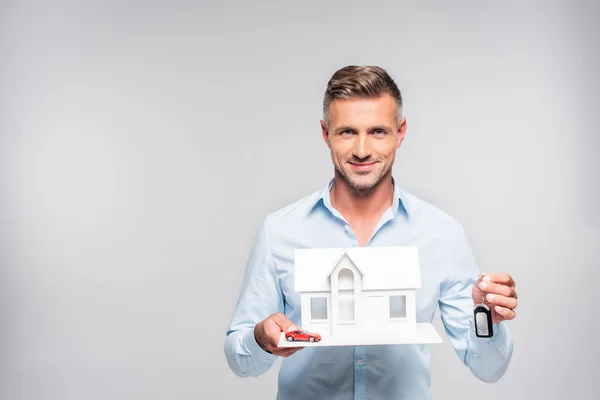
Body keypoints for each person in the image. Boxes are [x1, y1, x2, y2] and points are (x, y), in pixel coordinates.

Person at [224, 65, 518, 399]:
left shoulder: (441, 234)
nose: (362, 150)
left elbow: (489, 369)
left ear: (400, 132)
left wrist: (489, 321)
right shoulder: (279, 231)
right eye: (347, 132)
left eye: (377, 131)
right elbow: (240, 358)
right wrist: (260, 340)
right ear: (325, 133)